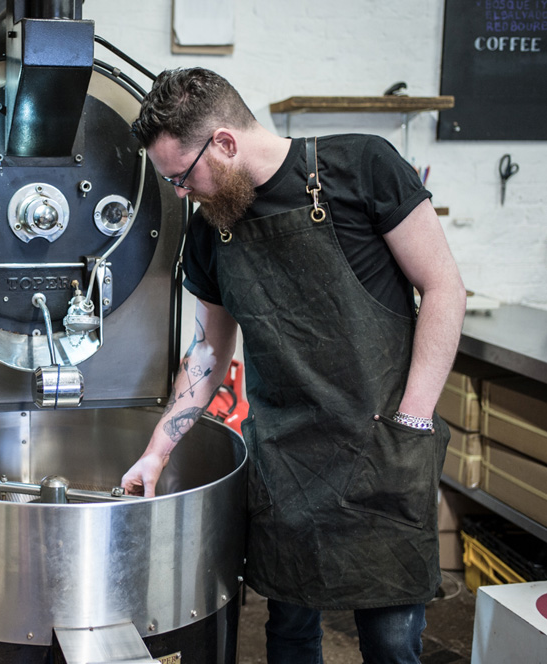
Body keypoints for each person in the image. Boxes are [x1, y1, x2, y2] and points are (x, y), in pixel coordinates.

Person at [121, 68, 466, 664]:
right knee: (289, 632)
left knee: (388, 641)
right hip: (288, 464)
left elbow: (444, 289)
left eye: (183, 176)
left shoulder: (361, 169)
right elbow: (208, 350)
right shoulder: (211, 230)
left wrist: (412, 422)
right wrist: (157, 450)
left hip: (382, 447)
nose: (181, 193)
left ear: (224, 142)